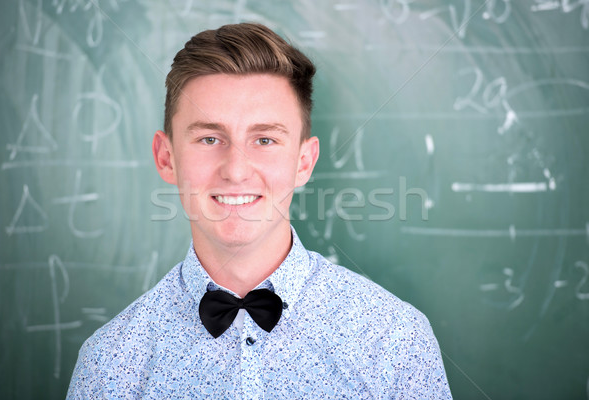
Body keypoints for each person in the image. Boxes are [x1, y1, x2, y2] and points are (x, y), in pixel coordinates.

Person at [67, 23, 452, 399]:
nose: (236, 170)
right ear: (166, 158)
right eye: (210, 138)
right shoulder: (109, 365)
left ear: (304, 162)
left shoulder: (395, 341)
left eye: (264, 139)